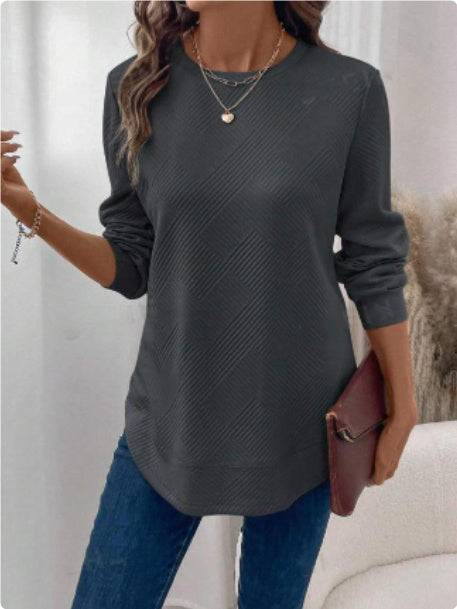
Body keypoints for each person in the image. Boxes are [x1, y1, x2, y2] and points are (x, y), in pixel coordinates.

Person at [1, 1, 419, 607]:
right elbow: (132, 265)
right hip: (172, 414)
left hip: (301, 421)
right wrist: (28, 210)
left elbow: (373, 261)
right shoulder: (135, 87)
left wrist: (403, 407)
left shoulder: (348, 90)